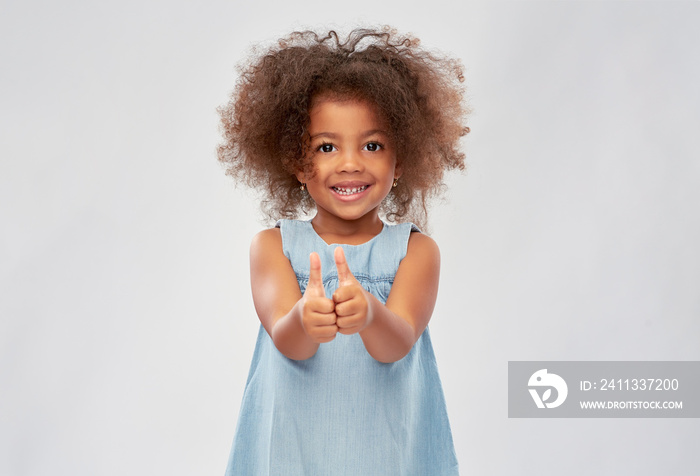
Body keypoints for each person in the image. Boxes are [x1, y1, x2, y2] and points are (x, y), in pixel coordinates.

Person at [218, 27, 469, 475]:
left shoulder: (416, 251)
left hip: (386, 452)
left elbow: (398, 344)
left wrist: (371, 314)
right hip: (294, 450)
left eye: (372, 145)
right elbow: (288, 341)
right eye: (326, 147)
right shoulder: (274, 246)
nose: (350, 162)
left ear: (401, 158)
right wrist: (303, 317)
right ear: (297, 162)